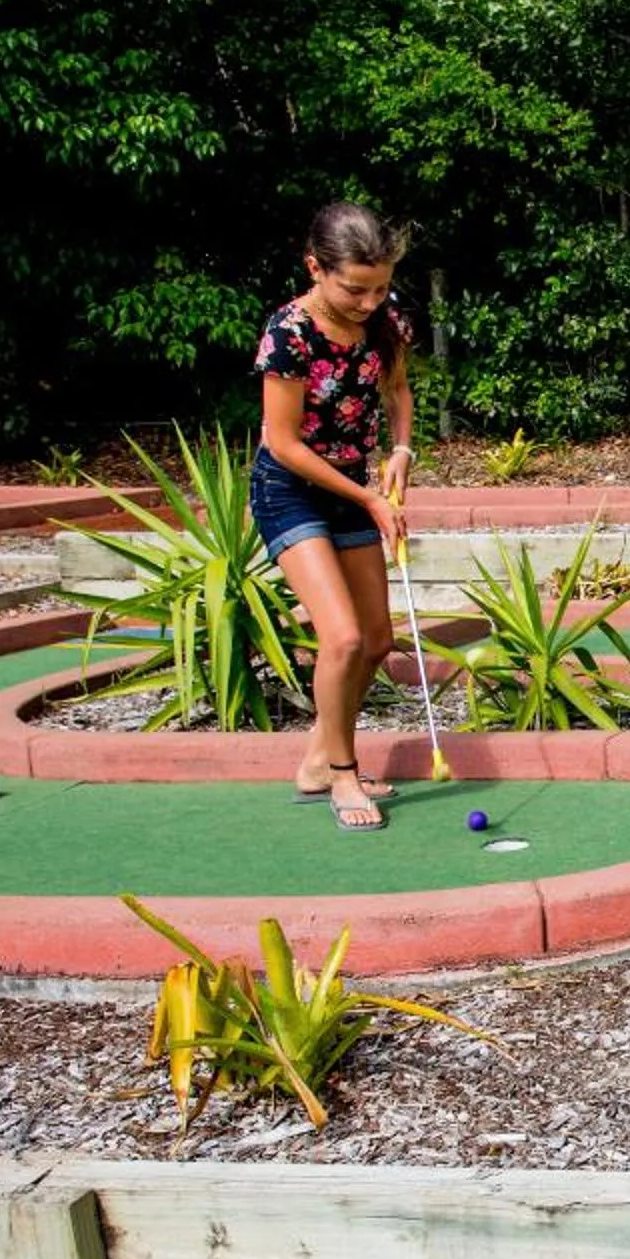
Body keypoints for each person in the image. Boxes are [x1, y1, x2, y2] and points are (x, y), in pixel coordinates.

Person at [249, 203, 417, 831]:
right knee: (342, 638)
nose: (369, 302)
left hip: (349, 486)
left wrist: (400, 451)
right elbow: (282, 442)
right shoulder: (289, 333)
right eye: (355, 289)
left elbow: (397, 390)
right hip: (289, 489)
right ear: (315, 268)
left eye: (380, 288)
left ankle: (317, 760)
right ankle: (343, 774)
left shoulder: (384, 320)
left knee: (376, 639)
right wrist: (370, 498)